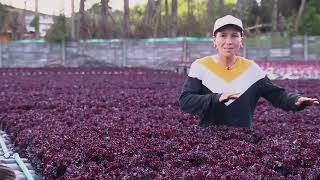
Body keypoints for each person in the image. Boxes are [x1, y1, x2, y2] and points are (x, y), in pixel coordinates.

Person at [179, 15, 319, 128]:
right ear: (214, 40)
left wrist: (296, 100)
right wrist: (215, 98)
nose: (229, 41)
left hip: (243, 141)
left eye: (234, 36)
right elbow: (185, 102)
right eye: (223, 35)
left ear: (241, 40)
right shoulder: (201, 66)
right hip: (207, 141)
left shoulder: (251, 69)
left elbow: (277, 95)